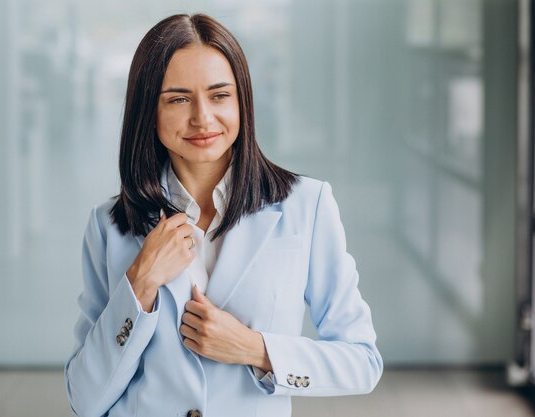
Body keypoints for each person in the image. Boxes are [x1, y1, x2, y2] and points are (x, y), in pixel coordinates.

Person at [64, 13, 383, 417]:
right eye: (178, 99)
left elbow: (362, 362)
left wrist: (255, 349)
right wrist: (139, 282)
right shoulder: (108, 225)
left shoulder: (308, 205)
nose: (202, 117)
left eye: (219, 95)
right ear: (149, 110)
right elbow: (84, 400)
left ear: (242, 101)